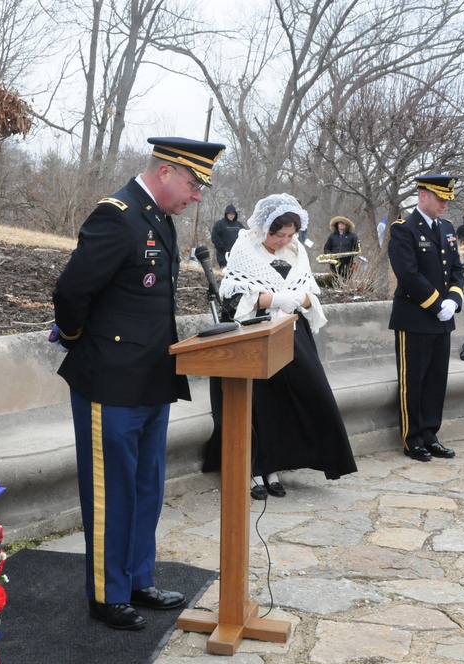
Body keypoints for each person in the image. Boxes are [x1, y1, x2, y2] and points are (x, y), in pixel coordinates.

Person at [52, 136, 225, 631]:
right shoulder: (118, 214)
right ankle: (108, 594)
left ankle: (137, 579)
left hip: (152, 375)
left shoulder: (160, 221)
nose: (196, 196)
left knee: (147, 486)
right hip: (110, 378)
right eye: (193, 184)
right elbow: (72, 290)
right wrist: (75, 337)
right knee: (112, 490)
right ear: (166, 171)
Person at [219, 194, 356, 499]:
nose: (283, 241)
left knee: (299, 395)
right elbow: (231, 297)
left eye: (290, 235)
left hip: (292, 332)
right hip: (255, 334)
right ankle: (254, 468)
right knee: (260, 402)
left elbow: (310, 293)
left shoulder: (297, 252)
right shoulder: (244, 249)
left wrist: (299, 299)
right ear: (265, 227)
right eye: (278, 234)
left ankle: (276, 465)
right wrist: (270, 299)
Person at [387, 174, 464, 462]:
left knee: (435, 380)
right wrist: (436, 305)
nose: (445, 205)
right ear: (423, 197)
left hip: (442, 319)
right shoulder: (404, 229)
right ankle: (413, 438)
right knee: (414, 380)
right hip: (415, 318)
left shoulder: (446, 228)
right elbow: (408, 274)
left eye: (447, 200)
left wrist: (454, 300)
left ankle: (431, 434)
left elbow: (457, 269)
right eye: (441, 199)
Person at [211, 203, 244, 268]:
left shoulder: (239, 225)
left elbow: (245, 235)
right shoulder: (219, 224)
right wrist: (222, 247)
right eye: (230, 214)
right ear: (226, 214)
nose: (231, 216)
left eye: (233, 214)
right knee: (225, 271)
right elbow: (214, 237)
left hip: (237, 255)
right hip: (223, 254)